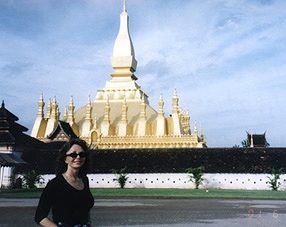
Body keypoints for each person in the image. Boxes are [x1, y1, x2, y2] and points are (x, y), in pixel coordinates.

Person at [35, 138, 94, 227]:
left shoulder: (84, 180)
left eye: (82, 154)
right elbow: (40, 216)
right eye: (73, 155)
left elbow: (85, 208)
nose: (78, 157)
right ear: (65, 159)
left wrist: (88, 222)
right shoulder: (55, 184)